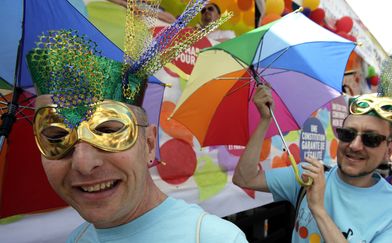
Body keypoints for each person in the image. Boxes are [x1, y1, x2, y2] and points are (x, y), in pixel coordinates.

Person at [26, 2, 247, 242]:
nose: (83, 164)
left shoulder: (212, 238)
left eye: (107, 130)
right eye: (57, 136)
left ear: (149, 144)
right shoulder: (77, 239)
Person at [233, 86, 392, 242]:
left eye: (371, 139)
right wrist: (264, 121)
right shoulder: (309, 176)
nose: (354, 145)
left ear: (389, 148)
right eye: (348, 134)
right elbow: (244, 179)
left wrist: (318, 210)